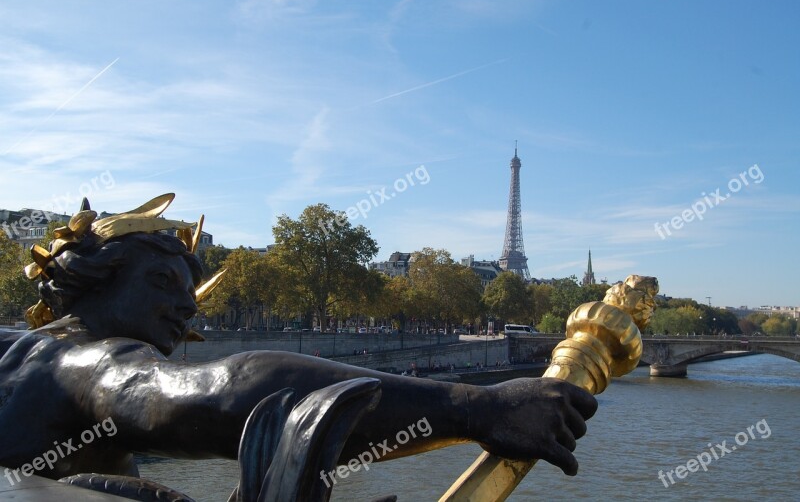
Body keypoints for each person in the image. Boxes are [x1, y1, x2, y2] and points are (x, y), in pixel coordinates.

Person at [0, 195, 596, 485]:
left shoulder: (14, 349)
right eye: (162, 281)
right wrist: (478, 407)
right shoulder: (85, 364)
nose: (185, 306)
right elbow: (232, 389)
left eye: (191, 295)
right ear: (88, 279)